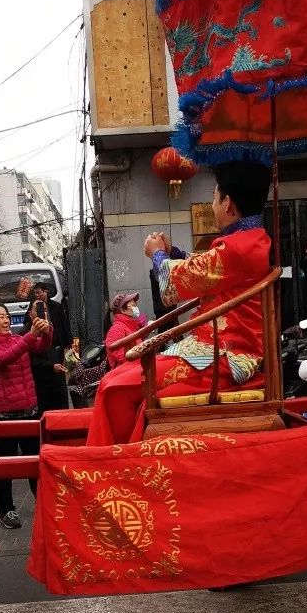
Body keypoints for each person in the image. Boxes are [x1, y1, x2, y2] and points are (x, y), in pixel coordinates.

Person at [86, 161, 271, 446]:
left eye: (213, 197)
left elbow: (174, 287)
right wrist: (173, 252)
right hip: (217, 346)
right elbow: (205, 270)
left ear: (228, 205)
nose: (211, 205)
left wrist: (158, 255)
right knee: (118, 377)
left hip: (225, 352)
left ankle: (117, 462)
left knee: (114, 387)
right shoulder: (249, 241)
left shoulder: (237, 247)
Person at [0, 302, 52, 529]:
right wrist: (30, 336)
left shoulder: (18, 340)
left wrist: (47, 332)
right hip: (4, 415)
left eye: (7, 315)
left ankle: (44, 503)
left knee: (35, 462)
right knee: (5, 466)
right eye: (0, 316)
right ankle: (6, 509)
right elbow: (4, 359)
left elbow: (40, 347)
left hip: (29, 410)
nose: (6, 319)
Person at [26, 282, 73, 412]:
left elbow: (64, 325)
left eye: (39, 292)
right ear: (30, 313)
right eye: (35, 293)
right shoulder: (28, 334)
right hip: (41, 380)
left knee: (60, 394)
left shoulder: (57, 307)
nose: (37, 295)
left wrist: (68, 344)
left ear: (46, 292)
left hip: (56, 350)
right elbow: (32, 358)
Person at [104, 292, 147, 369]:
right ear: (123, 310)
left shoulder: (131, 327)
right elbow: (123, 358)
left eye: (136, 305)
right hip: (125, 372)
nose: (136, 308)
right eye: (133, 306)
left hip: (137, 368)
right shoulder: (116, 329)